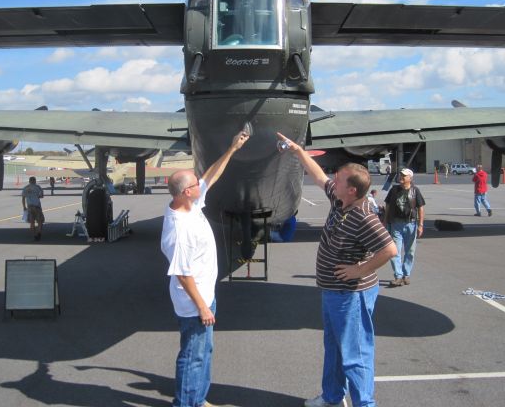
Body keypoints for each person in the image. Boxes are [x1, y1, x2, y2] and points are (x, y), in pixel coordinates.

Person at [276, 133, 397, 407]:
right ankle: (332, 397)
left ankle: (364, 403)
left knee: (355, 354)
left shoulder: (363, 215)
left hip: (351, 295)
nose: (334, 180)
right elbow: (319, 175)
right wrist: (297, 151)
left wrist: (360, 270)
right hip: (333, 291)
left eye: (339, 179)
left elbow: (390, 249)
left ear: (352, 189)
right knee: (333, 348)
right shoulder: (340, 199)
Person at [161, 130, 249, 407]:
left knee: (204, 351)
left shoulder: (189, 204)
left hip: (203, 295)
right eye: (195, 185)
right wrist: (202, 307)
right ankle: (186, 404)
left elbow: (210, 175)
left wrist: (232, 148)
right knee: (193, 356)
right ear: (187, 192)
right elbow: (182, 274)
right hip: (193, 302)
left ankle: (197, 399)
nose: (201, 185)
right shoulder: (180, 228)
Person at [384, 168, 425, 287]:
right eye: (401, 175)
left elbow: (420, 208)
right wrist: (385, 221)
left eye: (404, 176)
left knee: (410, 251)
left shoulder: (415, 190)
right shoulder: (394, 190)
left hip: (411, 224)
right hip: (396, 224)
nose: (401, 177)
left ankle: (406, 275)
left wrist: (420, 225)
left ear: (410, 178)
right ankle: (398, 275)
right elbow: (387, 205)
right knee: (394, 251)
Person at [21, 176, 44, 240]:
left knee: (32, 222)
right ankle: (39, 232)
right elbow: (41, 196)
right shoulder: (38, 187)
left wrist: (24, 207)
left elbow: (23, 199)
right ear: (35, 181)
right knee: (40, 222)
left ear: (29, 181)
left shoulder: (25, 188)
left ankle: (34, 235)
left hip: (30, 207)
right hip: (37, 207)